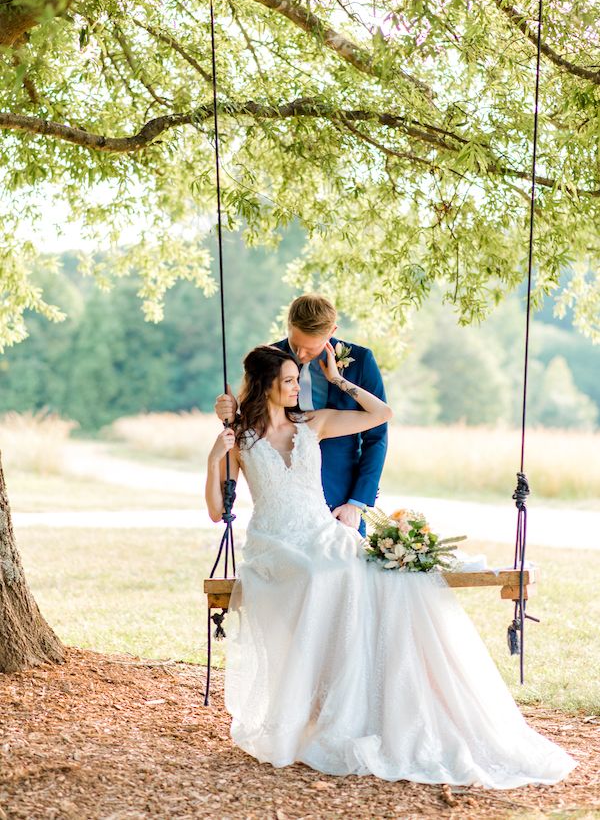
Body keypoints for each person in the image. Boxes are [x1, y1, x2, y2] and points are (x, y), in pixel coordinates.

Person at [205, 344, 575, 788]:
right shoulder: (240, 438)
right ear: (265, 384)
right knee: (322, 576)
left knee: (374, 574)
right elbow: (216, 511)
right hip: (275, 544)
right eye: (287, 380)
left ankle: (363, 703)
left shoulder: (313, 422)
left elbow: (381, 413)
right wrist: (214, 458)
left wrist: (339, 380)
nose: (295, 386)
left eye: (295, 379)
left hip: (321, 533)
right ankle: (315, 707)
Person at [215, 294, 387, 537]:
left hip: (342, 492)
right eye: (296, 344)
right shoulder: (269, 357)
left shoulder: (360, 361)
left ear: (332, 331)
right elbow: (255, 419)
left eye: (310, 348)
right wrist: (231, 412)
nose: (301, 354)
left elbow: (376, 437)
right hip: (286, 498)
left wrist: (357, 502)